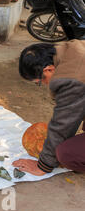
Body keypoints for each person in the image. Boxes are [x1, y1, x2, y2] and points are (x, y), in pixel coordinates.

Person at [13, 40, 85, 175]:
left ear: (49, 69)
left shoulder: (70, 79)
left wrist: (43, 165)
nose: (45, 85)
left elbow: (62, 125)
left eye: (40, 82)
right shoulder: (71, 48)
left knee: (67, 154)